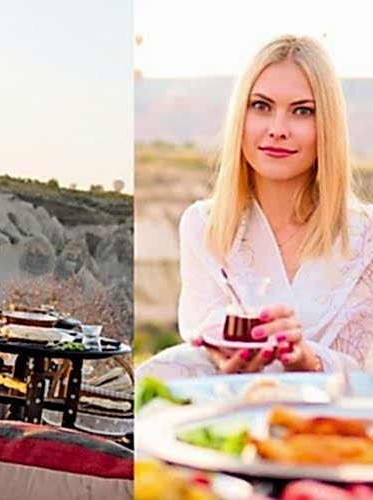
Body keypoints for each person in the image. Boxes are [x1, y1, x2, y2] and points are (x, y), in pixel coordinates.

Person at [138, 35, 373, 379]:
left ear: (328, 126)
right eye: (261, 106)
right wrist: (223, 356)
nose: (278, 130)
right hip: (227, 420)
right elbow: (203, 339)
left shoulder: (366, 238)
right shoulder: (204, 226)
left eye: (302, 111)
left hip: (341, 426)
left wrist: (310, 362)